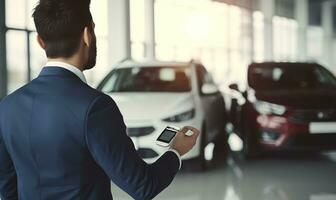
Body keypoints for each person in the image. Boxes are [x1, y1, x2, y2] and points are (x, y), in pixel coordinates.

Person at [0, 0, 200, 199]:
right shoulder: (95, 107)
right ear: (87, 35)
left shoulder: (8, 106)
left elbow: (7, 186)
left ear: (40, 41)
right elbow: (143, 185)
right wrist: (176, 151)